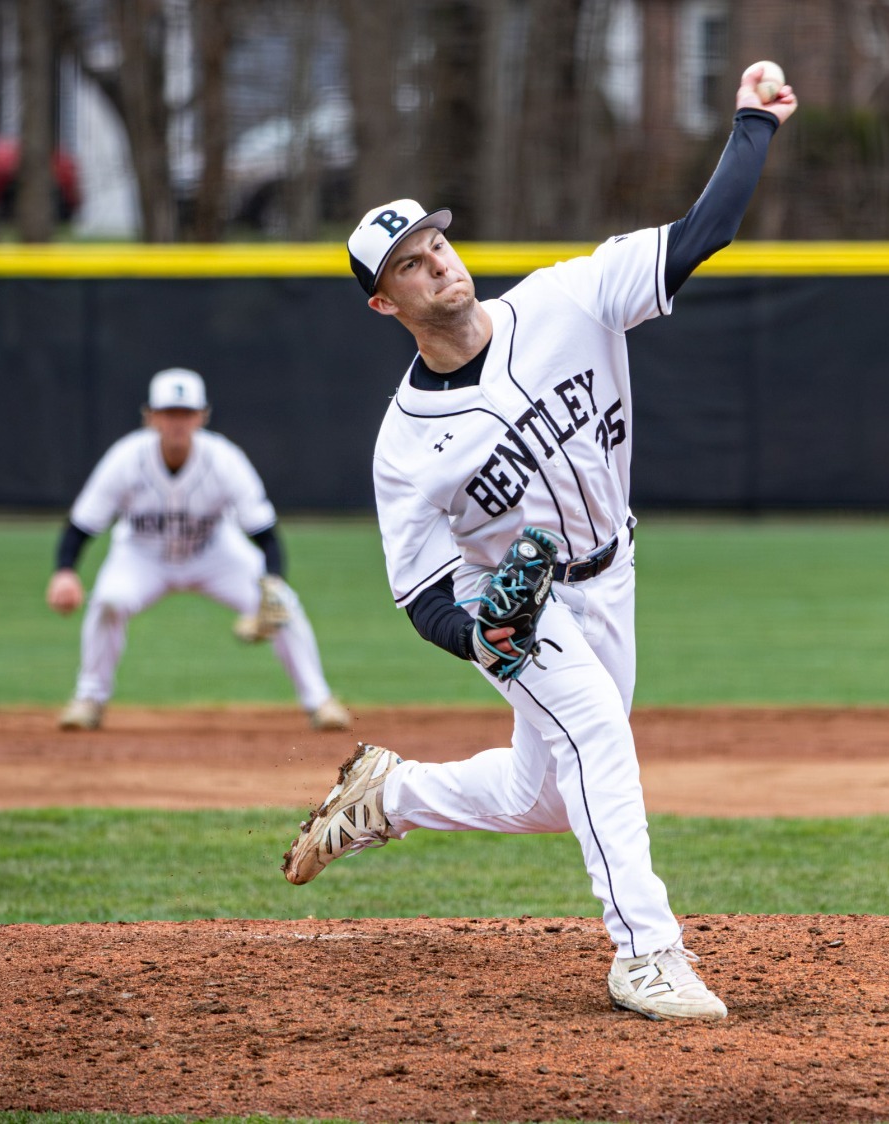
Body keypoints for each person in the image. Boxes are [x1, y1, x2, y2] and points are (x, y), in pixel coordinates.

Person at [281, 62, 796, 1021]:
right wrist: (483, 636)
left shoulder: (568, 301)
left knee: (547, 794)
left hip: (616, 572)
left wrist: (752, 124)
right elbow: (421, 589)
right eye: (411, 261)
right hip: (523, 608)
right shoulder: (407, 444)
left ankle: (390, 798)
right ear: (384, 303)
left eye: (436, 240)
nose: (438, 261)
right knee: (596, 731)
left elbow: (702, 236)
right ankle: (645, 953)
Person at [45, 367, 351, 732]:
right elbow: (82, 525)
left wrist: (272, 582)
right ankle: (89, 700)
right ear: (151, 417)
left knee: (283, 603)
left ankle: (319, 701)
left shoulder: (224, 459)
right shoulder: (125, 458)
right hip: (142, 557)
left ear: (202, 416)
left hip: (215, 553)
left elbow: (265, 532)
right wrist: (65, 571)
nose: (178, 422)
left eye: (186, 413)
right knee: (109, 600)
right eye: (169, 413)